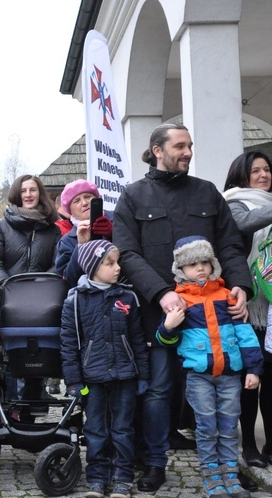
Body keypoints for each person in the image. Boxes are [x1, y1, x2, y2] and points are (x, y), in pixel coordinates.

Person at [112, 123, 252, 493]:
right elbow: (126, 254)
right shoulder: (133, 196)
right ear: (157, 150)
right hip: (162, 316)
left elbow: (231, 246)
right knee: (159, 391)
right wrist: (160, 292)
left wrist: (240, 285)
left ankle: (228, 469)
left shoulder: (207, 193)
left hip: (213, 319)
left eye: (190, 145)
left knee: (224, 393)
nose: (188, 152)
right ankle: (155, 464)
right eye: (180, 146)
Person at [155, 236, 263, 498]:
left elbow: (246, 337)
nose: (200, 268)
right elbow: (166, 340)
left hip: (229, 376)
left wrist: (253, 369)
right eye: (193, 264)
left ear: (213, 263)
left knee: (228, 427)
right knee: (206, 427)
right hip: (199, 376)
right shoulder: (179, 301)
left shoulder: (226, 296)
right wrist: (168, 327)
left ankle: (230, 474)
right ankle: (211, 475)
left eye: (205, 262)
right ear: (181, 269)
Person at [60, 240, 150, 498]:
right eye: (109, 263)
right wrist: (73, 381)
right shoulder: (75, 301)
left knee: (123, 428)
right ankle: (97, 478)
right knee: (96, 429)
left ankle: (122, 476)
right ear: (92, 266)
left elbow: (137, 338)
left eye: (117, 262)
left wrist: (142, 374)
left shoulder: (127, 297)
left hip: (125, 375)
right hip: (92, 377)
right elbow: (68, 343)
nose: (117, 268)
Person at [0, 174, 61, 401]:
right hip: (5, 300)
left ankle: (36, 391)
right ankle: (0, 393)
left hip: (42, 302)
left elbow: (57, 265)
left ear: (40, 194)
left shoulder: (52, 230)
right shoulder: (1, 227)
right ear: (17, 194)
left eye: (33, 190)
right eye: (24, 190)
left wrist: (38, 290)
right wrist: (11, 289)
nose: (28, 194)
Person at [223, 151, 272, 469]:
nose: (264, 175)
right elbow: (243, 224)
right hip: (249, 303)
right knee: (251, 377)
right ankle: (249, 447)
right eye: (256, 170)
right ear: (242, 175)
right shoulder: (233, 201)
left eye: (267, 169)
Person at [55, 179, 113, 288]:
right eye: (76, 201)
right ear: (70, 211)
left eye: (88, 196)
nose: (85, 203)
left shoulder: (118, 220)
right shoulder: (67, 241)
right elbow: (70, 279)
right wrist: (81, 246)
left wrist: (113, 233)